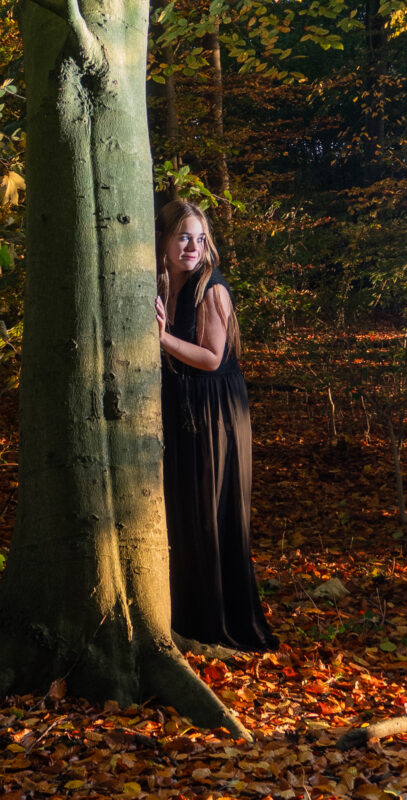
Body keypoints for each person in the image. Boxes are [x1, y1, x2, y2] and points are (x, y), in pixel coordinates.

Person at [155, 200, 277, 652]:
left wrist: (161, 338)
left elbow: (210, 358)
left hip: (216, 414)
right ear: (163, 239)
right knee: (183, 512)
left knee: (210, 515)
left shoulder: (211, 289)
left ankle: (217, 624)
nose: (192, 247)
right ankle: (182, 616)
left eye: (200, 239)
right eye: (183, 237)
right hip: (182, 408)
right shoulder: (160, 282)